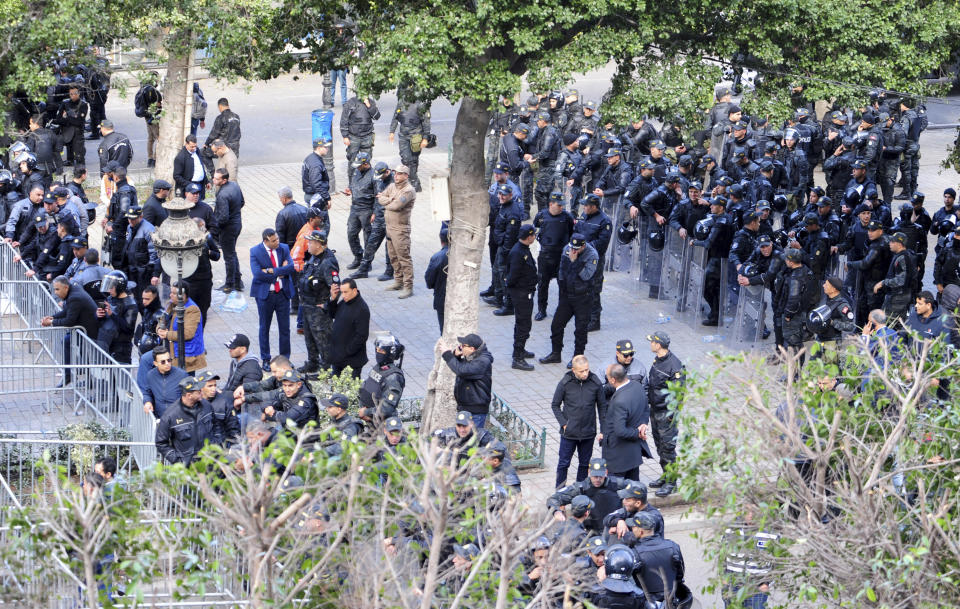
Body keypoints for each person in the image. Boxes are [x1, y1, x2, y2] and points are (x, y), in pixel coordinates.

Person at [540, 233, 599, 368]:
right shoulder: (568, 248)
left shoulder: (592, 255)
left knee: (580, 330)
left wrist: (575, 261)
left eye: (576, 249)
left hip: (583, 297)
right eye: (572, 248)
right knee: (556, 324)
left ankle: (577, 358)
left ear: (583, 246)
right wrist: (562, 288)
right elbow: (561, 269)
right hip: (567, 295)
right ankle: (556, 353)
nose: (573, 251)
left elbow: (585, 275)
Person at [550, 355, 608, 487]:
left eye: (587, 370)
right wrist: (564, 424)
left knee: (584, 464)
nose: (585, 373)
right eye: (582, 371)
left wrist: (603, 430)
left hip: (588, 433)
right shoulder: (565, 383)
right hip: (569, 433)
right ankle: (560, 492)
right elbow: (555, 405)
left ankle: (581, 491)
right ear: (574, 370)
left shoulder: (595, 382)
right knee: (564, 464)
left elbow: (602, 407)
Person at [645, 332, 684, 497]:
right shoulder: (658, 360)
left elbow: (678, 394)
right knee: (660, 446)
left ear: (658, 344)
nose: (650, 343)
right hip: (655, 410)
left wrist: (670, 415)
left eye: (652, 341)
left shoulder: (674, 366)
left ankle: (672, 483)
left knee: (668, 448)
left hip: (666, 414)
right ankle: (666, 474)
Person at [40, 276, 99, 385]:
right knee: (68, 343)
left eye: (57, 289)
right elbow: (67, 311)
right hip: (81, 329)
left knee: (82, 351)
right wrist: (52, 317)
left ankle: (76, 376)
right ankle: (70, 375)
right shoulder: (72, 291)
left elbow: (69, 321)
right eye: (54, 289)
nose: (55, 292)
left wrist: (51, 323)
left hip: (89, 330)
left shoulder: (74, 296)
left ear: (66, 287)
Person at [250, 228, 294, 370]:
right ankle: (266, 359)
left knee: (285, 328)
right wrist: (279, 272)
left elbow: (291, 267)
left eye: (277, 239)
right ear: (266, 241)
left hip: (282, 293)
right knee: (264, 327)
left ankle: (285, 358)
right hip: (265, 295)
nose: (277, 242)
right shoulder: (255, 251)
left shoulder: (284, 248)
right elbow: (257, 274)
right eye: (274, 240)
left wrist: (270, 270)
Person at [298, 230, 339, 373]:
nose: (308, 244)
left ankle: (327, 369)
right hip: (307, 305)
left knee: (323, 340)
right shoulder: (313, 257)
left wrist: (327, 305)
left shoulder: (328, 262)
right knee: (309, 337)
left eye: (310, 242)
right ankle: (313, 362)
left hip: (319, 308)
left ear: (319, 244)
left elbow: (334, 288)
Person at [155, 376, 220, 465]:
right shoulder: (170, 415)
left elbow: (216, 426)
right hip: (188, 469)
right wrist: (179, 461)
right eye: (199, 392)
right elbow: (161, 443)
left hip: (209, 461)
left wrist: (217, 444)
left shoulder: (206, 405)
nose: (202, 392)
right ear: (189, 395)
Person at [603, 364, 650, 481]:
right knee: (633, 489)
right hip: (633, 454)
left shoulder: (620, 401)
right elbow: (646, 407)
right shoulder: (637, 386)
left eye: (608, 378)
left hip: (618, 456)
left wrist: (638, 433)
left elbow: (620, 431)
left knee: (615, 490)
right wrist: (644, 423)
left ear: (613, 380)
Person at [534, 192, 576, 320]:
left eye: (563, 205)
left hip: (561, 257)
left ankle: (562, 310)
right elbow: (536, 230)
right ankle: (542, 310)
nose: (562, 207)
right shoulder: (541, 216)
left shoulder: (567, 217)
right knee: (542, 284)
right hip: (545, 256)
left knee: (563, 284)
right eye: (559, 205)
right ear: (551, 204)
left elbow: (571, 234)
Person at [483, 183, 525, 314]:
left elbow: (511, 235)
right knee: (496, 271)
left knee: (504, 275)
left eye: (504, 195)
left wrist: (505, 251)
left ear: (510, 196)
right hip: (501, 246)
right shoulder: (504, 206)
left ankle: (508, 305)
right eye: (500, 194)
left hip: (506, 248)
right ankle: (498, 297)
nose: (501, 196)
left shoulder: (513, 211)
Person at [630, 512, 686, 603]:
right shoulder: (673, 546)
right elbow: (680, 573)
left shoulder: (634, 553)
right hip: (672, 600)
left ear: (641, 531)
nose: (632, 529)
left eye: (633, 527)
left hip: (647, 603)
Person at [441, 334, 494, 428]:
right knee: (464, 439)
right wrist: (456, 356)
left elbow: (462, 371)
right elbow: (463, 368)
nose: (460, 347)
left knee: (472, 440)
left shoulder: (482, 362)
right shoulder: (472, 356)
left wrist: (447, 355)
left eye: (463, 346)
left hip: (475, 411)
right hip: (465, 407)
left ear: (472, 349)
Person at [380, 164, 417, 298]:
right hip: (389, 227)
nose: (396, 176)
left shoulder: (408, 190)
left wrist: (388, 201)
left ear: (406, 175)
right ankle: (398, 280)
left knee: (404, 258)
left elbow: (396, 206)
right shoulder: (392, 186)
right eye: (395, 173)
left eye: (400, 174)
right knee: (393, 256)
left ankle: (408, 286)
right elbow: (381, 198)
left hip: (400, 229)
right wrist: (390, 199)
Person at [156, 280, 207, 372]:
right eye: (171, 292)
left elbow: (187, 334)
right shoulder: (170, 304)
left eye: (174, 293)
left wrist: (167, 334)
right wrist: (159, 329)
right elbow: (161, 319)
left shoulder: (192, 309)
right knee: (146, 360)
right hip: (168, 350)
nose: (170, 295)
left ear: (183, 296)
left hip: (184, 356)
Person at [507, 224, 538, 370]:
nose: (535, 237)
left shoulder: (523, 249)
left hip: (525, 292)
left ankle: (521, 349)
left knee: (524, 323)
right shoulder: (518, 252)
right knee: (523, 324)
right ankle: (517, 357)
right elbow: (512, 276)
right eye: (533, 235)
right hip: (521, 294)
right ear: (529, 236)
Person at [327, 278, 370, 378]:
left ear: (354, 290)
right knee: (336, 390)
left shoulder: (362, 309)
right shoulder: (345, 302)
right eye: (342, 292)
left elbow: (362, 335)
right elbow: (333, 314)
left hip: (351, 361)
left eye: (346, 292)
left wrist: (347, 351)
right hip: (338, 358)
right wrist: (333, 299)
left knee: (349, 391)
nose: (343, 295)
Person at [358, 334, 405, 422]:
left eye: (382, 351)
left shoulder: (393, 377)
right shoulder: (380, 367)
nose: (378, 353)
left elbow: (387, 408)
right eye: (377, 350)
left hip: (381, 423)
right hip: (369, 418)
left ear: (390, 353)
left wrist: (367, 412)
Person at [95, 270, 139, 364]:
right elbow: (105, 321)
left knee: (121, 377)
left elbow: (128, 328)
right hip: (108, 343)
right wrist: (100, 316)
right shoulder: (111, 298)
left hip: (121, 349)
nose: (109, 290)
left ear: (119, 287)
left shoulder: (131, 305)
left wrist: (112, 314)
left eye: (112, 287)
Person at [389, 95, 432, 191]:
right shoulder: (401, 102)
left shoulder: (420, 103)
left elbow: (426, 122)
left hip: (416, 135)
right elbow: (396, 117)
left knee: (413, 160)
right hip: (403, 135)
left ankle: (414, 182)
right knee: (405, 159)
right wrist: (392, 131)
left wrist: (425, 138)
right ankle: (412, 180)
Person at [212, 168, 244, 292]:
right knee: (232, 253)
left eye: (217, 179)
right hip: (237, 223)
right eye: (214, 177)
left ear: (224, 180)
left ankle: (229, 284)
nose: (214, 180)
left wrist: (214, 229)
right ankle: (237, 281)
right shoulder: (234, 185)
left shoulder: (223, 195)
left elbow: (223, 217)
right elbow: (242, 202)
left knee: (229, 256)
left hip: (228, 228)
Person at [344, 151, 375, 269]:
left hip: (367, 209)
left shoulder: (373, 176)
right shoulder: (356, 172)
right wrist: (349, 190)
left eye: (359, 165)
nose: (357, 167)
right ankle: (358, 257)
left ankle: (367, 262)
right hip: (355, 207)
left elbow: (378, 195)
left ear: (366, 164)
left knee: (368, 237)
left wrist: (375, 212)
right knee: (351, 233)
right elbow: (353, 185)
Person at [121, 206, 159, 302]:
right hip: (133, 269)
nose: (131, 221)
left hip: (144, 271)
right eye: (129, 218)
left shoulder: (149, 229)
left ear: (141, 217)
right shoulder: (129, 227)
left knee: (145, 298)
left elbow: (154, 252)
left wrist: (152, 271)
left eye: (133, 219)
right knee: (136, 297)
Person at [877, 232, 916, 323]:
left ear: (899, 244)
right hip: (898, 296)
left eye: (892, 242)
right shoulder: (901, 255)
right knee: (898, 322)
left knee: (888, 322)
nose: (889, 243)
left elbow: (901, 280)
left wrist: (883, 283)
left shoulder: (903, 257)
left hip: (898, 296)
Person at [140, 346, 189, 418]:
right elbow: (147, 392)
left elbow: (189, 396)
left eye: (169, 360)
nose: (167, 363)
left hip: (179, 418)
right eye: (163, 362)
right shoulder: (151, 375)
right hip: (160, 418)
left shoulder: (182, 375)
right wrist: (147, 402)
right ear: (155, 363)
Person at [195, 370, 241, 447]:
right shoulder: (194, 402)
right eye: (210, 386)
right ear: (201, 388)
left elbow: (233, 428)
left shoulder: (224, 402)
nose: (214, 389)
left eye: (215, 385)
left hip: (220, 445)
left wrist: (234, 448)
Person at [340, 95, 380, 182]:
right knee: (352, 161)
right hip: (353, 137)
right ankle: (352, 184)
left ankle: (366, 183)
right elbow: (344, 120)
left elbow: (377, 116)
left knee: (366, 162)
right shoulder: (351, 102)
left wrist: (369, 106)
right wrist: (345, 136)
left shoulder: (370, 102)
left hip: (367, 136)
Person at [202, 98, 241, 173]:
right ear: (228, 105)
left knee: (203, 153)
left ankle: (213, 175)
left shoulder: (220, 118)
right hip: (235, 149)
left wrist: (206, 144)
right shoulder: (237, 117)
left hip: (224, 148)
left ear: (220, 106)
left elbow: (213, 134)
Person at [53, 85, 87, 167]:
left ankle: (79, 164)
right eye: (71, 94)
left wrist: (67, 117)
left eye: (75, 93)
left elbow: (79, 122)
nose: (73, 96)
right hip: (67, 130)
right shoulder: (65, 103)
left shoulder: (83, 104)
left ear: (79, 94)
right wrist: (71, 118)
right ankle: (70, 160)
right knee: (69, 146)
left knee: (79, 154)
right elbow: (58, 119)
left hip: (78, 131)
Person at [424, 227, 449, 333]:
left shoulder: (437, 257)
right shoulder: (463, 256)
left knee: (444, 329)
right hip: (460, 298)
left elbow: (429, 279)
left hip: (442, 298)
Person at [134, 72, 162, 167]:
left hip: (146, 116)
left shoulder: (143, 88)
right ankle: (155, 159)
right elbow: (157, 104)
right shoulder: (152, 90)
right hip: (154, 117)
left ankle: (150, 158)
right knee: (159, 138)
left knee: (150, 138)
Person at [302, 139, 332, 205]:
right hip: (315, 197)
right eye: (325, 147)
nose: (327, 149)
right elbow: (316, 184)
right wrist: (326, 197)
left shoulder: (311, 157)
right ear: (318, 148)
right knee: (319, 215)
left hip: (312, 195)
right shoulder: (316, 164)